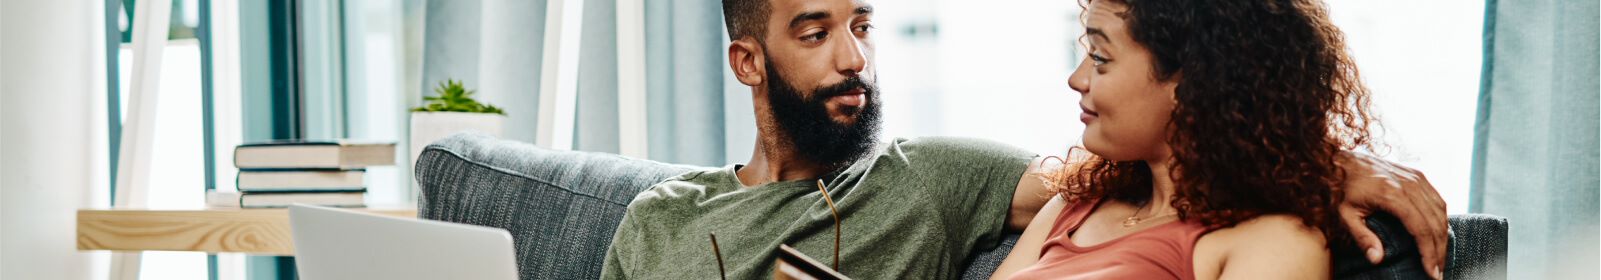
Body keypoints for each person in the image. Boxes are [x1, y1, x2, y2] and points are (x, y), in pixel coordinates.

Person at [601, 0, 1449, 279]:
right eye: (816, 32)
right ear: (747, 62)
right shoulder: (657, 218)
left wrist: (1325, 162)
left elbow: (1218, 149)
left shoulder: (928, 179)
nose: (855, 57)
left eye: (861, 23)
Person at [989, 0, 1442, 279]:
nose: (1076, 79)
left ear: (1193, 86)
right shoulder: (1073, 204)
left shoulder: (1276, 244)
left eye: (1101, 59)